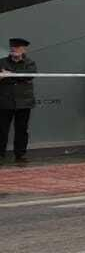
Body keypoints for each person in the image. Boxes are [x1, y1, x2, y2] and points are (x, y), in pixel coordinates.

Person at [0, 36, 37, 165]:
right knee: (2, 130)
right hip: (4, 101)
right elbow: (21, 77)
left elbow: (29, 76)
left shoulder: (30, 63)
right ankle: (0, 155)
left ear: (24, 50)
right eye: (12, 48)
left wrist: (8, 75)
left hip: (24, 102)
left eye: (17, 47)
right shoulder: (1, 62)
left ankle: (20, 156)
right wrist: (16, 76)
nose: (14, 49)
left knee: (22, 130)